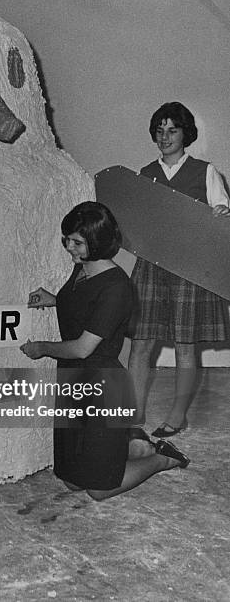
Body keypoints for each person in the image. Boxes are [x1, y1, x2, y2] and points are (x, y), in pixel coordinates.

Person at [20, 201, 189, 501]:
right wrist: (54, 299)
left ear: (97, 243)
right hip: (73, 382)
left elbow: (84, 347)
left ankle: (164, 459)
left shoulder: (117, 286)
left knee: (99, 490)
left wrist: (41, 348)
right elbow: (89, 306)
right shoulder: (82, 269)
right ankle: (123, 453)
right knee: (72, 481)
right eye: (67, 240)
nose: (69, 247)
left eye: (77, 242)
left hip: (104, 387)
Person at [128, 102, 230, 438]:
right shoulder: (144, 174)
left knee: (185, 346)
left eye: (172, 130)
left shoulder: (205, 172)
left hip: (190, 270)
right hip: (151, 268)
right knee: (141, 343)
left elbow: (221, 221)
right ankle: (134, 412)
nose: (164, 136)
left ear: (186, 133)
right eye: (159, 130)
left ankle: (177, 416)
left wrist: (220, 217)